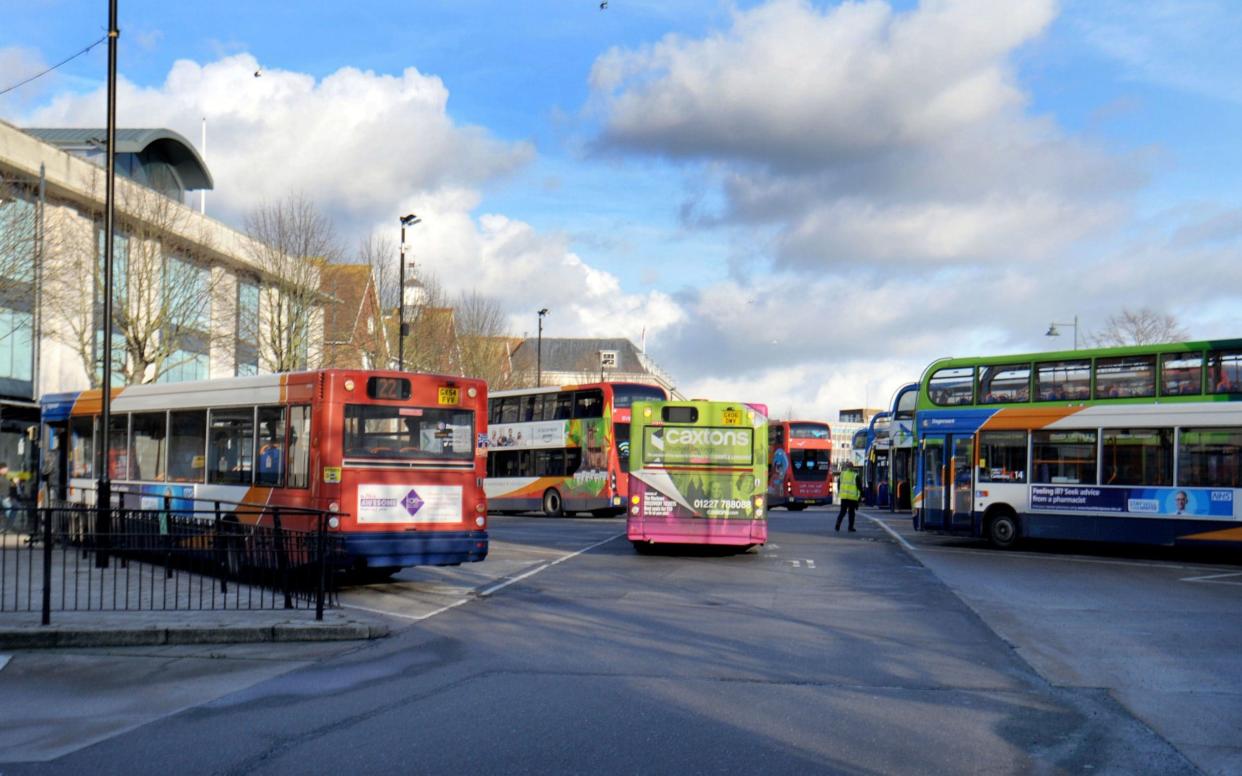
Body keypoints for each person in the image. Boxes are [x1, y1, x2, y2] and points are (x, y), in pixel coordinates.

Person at [836, 462, 861, 533]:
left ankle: (838, 524)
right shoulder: (855, 476)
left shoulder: (842, 475)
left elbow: (839, 484)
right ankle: (850, 527)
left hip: (844, 497)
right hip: (852, 498)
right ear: (852, 468)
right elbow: (859, 487)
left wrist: (839, 492)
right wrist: (861, 496)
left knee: (842, 512)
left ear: (846, 467)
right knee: (851, 513)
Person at [0, 462, 11, 532]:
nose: (7, 470)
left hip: (5, 498)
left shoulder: (5, 477)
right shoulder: (1, 478)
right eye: (5, 469)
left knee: (5, 512)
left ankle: (4, 527)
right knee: (9, 510)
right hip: (2, 498)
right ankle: (5, 527)